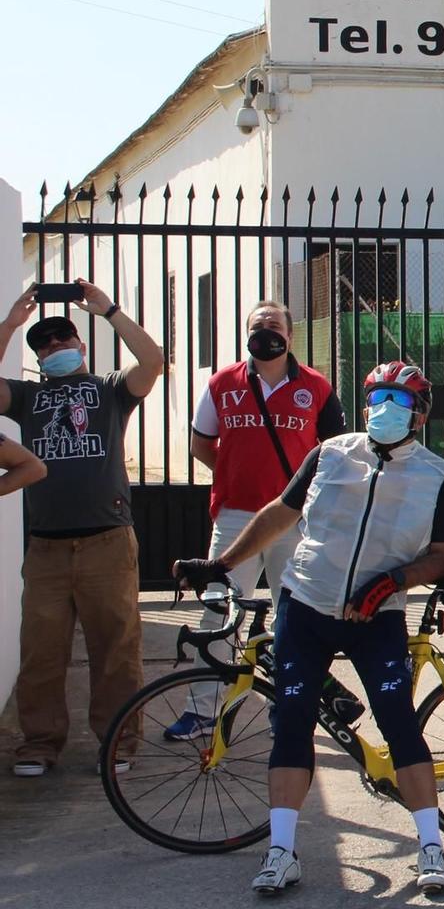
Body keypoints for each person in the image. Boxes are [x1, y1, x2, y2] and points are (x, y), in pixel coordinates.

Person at [174, 360, 444, 897]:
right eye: (377, 398)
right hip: (305, 606)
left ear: (419, 415)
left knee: (399, 724)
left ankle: (431, 847)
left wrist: (397, 579)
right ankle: (281, 852)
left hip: (377, 617)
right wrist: (223, 564)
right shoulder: (330, 453)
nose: (385, 410)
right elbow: (280, 514)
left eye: (399, 401)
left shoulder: (436, 476)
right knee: (291, 724)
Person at [0, 281, 164, 779]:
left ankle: (119, 743)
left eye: (61, 340)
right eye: (43, 345)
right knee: (41, 652)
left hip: (107, 541)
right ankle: (39, 743)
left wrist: (108, 309)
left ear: (81, 344)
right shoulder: (28, 397)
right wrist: (10, 325)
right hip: (48, 547)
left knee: (116, 649)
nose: (53, 349)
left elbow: (154, 360)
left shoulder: (111, 390)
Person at [166, 301, 346, 740]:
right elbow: (201, 444)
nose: (267, 330)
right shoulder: (222, 383)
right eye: (258, 324)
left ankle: (290, 706)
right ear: (246, 331)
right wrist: (234, 476)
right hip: (236, 518)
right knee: (218, 611)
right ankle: (202, 710)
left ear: (290, 333)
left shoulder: (317, 388)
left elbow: (335, 453)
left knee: (295, 616)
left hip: (293, 521)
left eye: (275, 323)